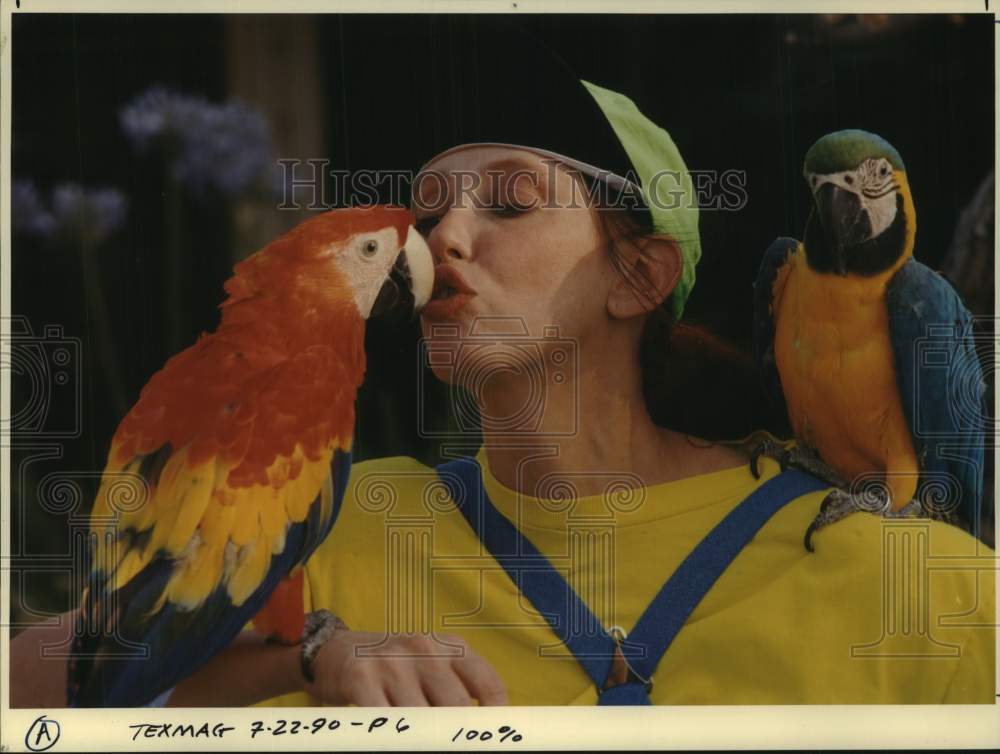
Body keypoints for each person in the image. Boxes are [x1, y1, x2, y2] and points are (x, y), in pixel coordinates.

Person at [10, 20, 994, 708]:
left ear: (640, 277)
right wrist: (308, 653)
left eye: (510, 201)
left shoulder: (912, 576)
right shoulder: (329, 512)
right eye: (430, 208)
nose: (446, 239)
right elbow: (39, 680)